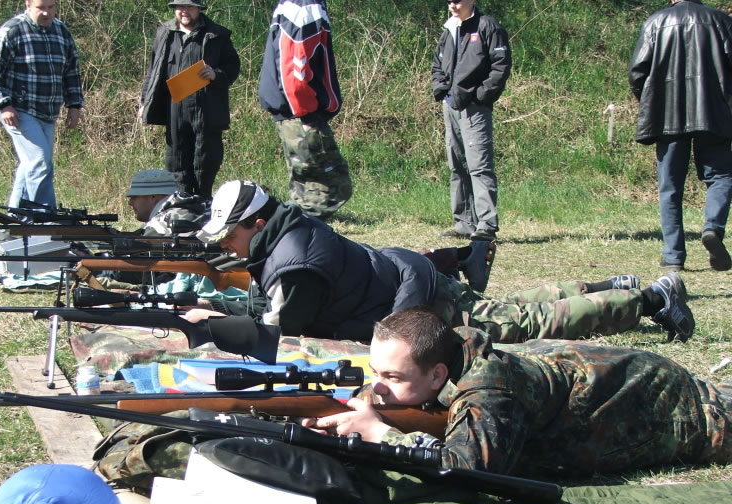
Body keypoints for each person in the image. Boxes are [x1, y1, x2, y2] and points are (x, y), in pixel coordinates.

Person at [186, 179, 694, 344]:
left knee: (528, 323)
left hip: (417, 301)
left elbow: (280, 330)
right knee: (511, 308)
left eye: (230, 234)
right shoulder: (290, 231)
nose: (228, 245)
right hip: (411, 282)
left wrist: (211, 325)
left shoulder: (293, 260)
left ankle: (650, 298)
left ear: (256, 223)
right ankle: (612, 286)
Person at [303, 307, 732, 478]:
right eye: (375, 372)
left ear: (437, 375)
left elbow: (466, 469)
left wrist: (380, 433)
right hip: (612, 375)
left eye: (392, 377)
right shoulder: (444, 351)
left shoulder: (490, 390)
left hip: (673, 405)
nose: (378, 386)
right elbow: (387, 392)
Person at [629, 0, 732, 272]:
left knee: (670, 188)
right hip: (714, 114)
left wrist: (651, 103)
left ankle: (673, 257)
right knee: (721, 176)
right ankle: (713, 228)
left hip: (667, 115)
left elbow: (637, 73)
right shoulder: (721, 21)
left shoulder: (655, 22)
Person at [0, 0, 84, 210]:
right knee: (39, 163)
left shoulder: (61, 31)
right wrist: (3, 105)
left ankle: (16, 217)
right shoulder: (12, 31)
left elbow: (71, 70)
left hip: (49, 112)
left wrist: (74, 105)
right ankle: (44, 218)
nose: (46, 13)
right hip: (20, 111)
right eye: (41, 8)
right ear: (28, 5)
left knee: (30, 165)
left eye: (51, 7)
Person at [258, 0, 352, 220]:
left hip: (292, 111)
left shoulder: (292, 6)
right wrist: (305, 113)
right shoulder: (304, 8)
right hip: (301, 112)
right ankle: (297, 227)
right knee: (331, 183)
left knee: (304, 183)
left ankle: (293, 222)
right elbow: (294, 67)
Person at [139, 0, 240, 200]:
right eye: (180, 7)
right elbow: (153, 71)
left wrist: (216, 74)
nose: (184, 11)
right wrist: (144, 102)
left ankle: (203, 203)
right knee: (176, 160)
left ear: (199, 9)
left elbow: (233, 66)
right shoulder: (164, 33)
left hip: (207, 109)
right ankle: (183, 204)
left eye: (189, 7)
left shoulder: (217, 35)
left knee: (206, 161)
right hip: (174, 107)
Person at [432, 0, 511, 241]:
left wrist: (481, 96)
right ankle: (465, 223)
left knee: (479, 166)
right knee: (457, 166)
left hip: (475, 109)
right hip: (451, 107)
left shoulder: (488, 26)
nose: (452, 5)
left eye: (457, 0)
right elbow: (437, 64)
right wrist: (442, 90)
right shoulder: (449, 29)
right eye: (449, 1)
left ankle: (486, 225)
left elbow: (500, 65)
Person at [125, 169, 208, 236]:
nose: (130, 202)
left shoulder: (160, 225)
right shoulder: (192, 208)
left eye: (134, 197)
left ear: (153, 196)